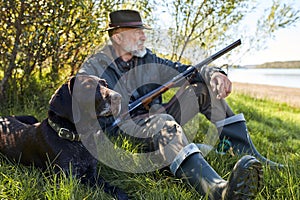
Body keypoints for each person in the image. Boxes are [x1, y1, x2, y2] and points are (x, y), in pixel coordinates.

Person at [78, 10, 264, 200]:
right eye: (137, 31)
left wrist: (215, 73)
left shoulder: (149, 58)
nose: (144, 36)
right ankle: (216, 191)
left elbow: (188, 71)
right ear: (118, 37)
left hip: (156, 117)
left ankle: (246, 151)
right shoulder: (95, 66)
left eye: (143, 31)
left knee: (202, 89)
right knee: (163, 122)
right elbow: (80, 96)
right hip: (121, 131)